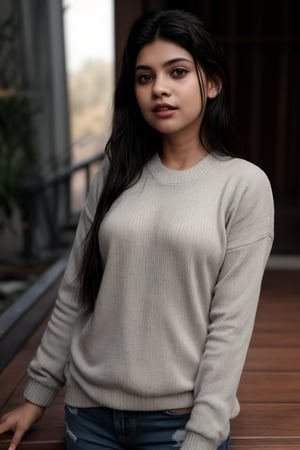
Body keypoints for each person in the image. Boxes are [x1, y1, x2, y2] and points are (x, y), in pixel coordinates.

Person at [0, 9, 274, 450]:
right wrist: (36, 395)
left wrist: (203, 435)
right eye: (144, 77)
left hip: (178, 421)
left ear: (213, 83)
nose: (159, 88)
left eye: (178, 72)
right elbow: (75, 290)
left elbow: (231, 326)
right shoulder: (116, 172)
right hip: (88, 414)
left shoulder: (243, 185)